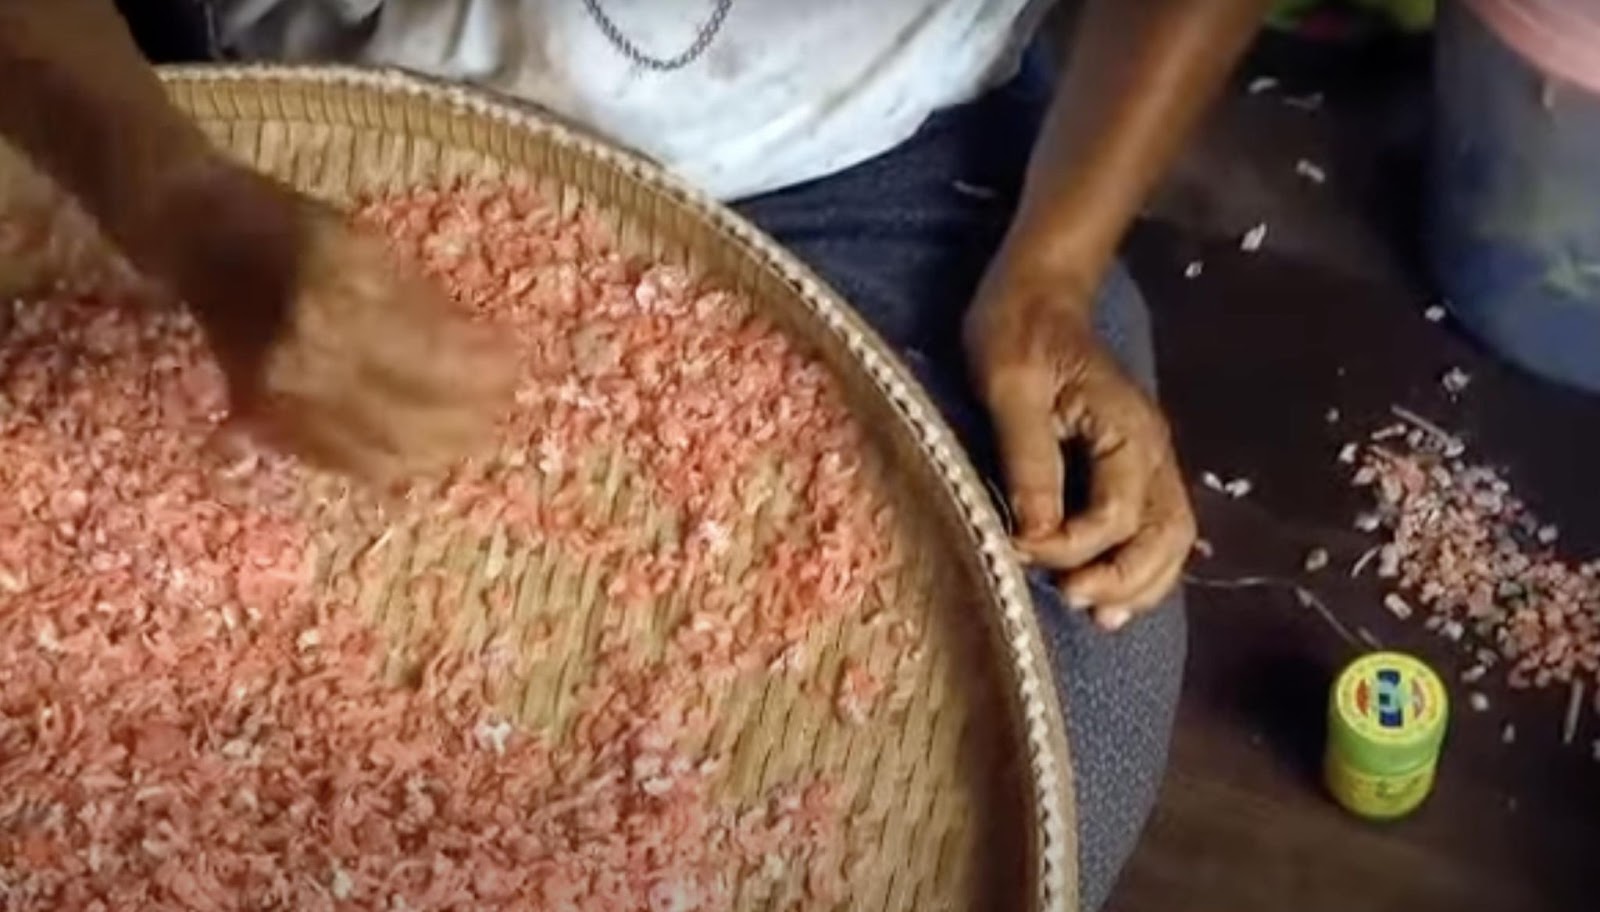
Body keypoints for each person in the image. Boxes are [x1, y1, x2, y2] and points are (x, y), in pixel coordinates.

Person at [0, 1, 1269, 906]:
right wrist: (180, 201)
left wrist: (1051, 266)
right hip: (295, 104)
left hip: (868, 167)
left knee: (1071, 727)